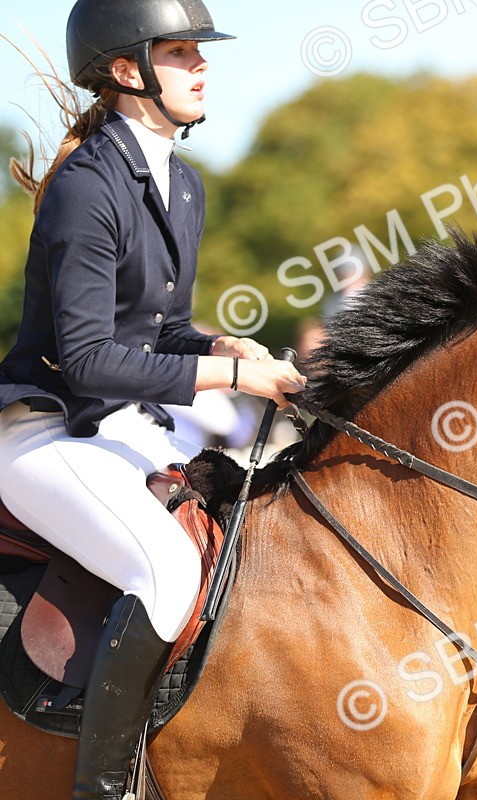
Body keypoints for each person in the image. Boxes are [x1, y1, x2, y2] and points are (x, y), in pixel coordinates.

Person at [0, 2, 305, 798]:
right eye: (180, 52)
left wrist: (220, 347)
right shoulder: (86, 188)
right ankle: (102, 789)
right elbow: (89, 359)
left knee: (237, 537)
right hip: (47, 431)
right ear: (125, 70)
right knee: (167, 571)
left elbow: (160, 328)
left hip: (118, 429)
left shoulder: (183, 184)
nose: (202, 65)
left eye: (199, 51)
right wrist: (234, 382)